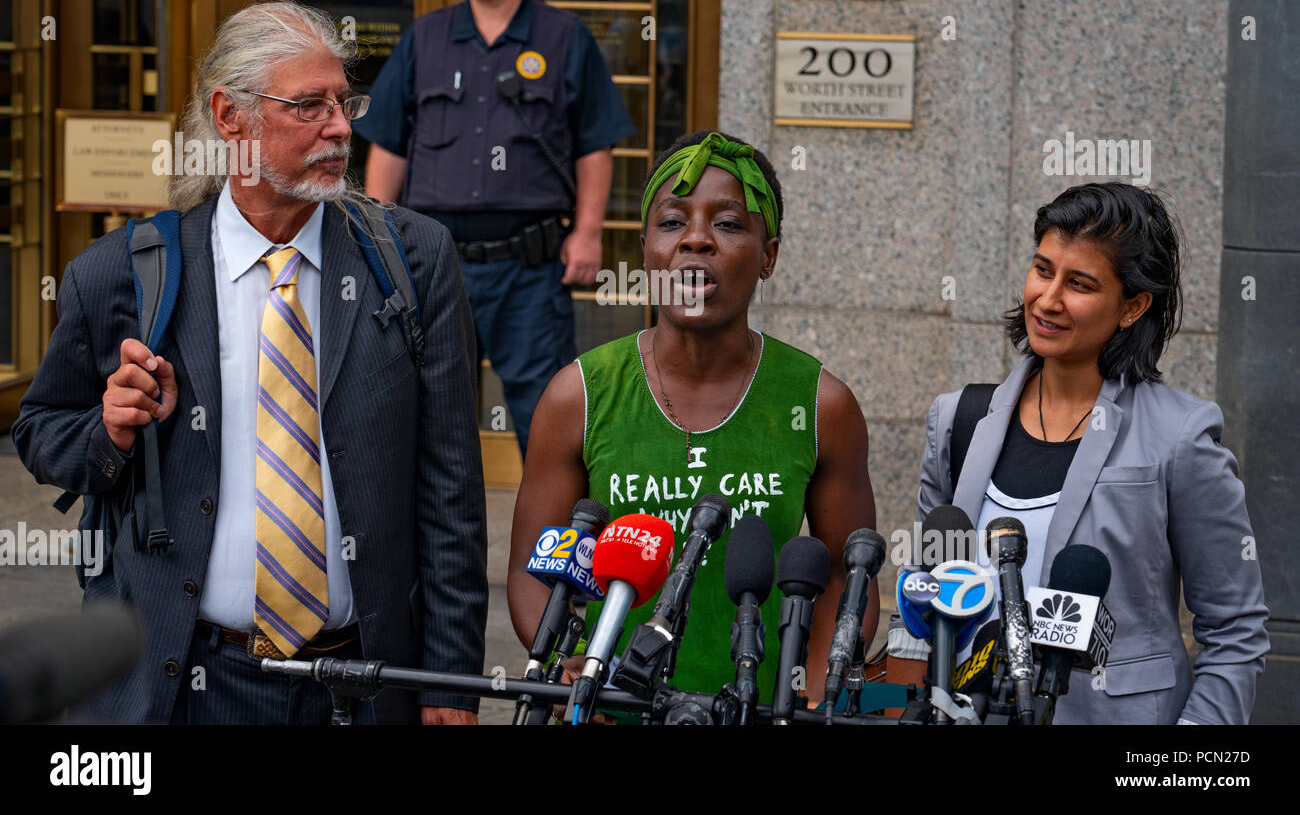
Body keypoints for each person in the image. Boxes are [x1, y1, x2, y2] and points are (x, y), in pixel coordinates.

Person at [13, 0, 488, 725]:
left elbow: (451, 483)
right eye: (308, 106)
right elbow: (42, 429)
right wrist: (108, 433)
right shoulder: (122, 274)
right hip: (190, 684)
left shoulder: (414, 259)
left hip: (363, 682)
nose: (339, 126)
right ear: (230, 118)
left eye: (342, 100)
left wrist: (451, 681)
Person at [507, 130, 879, 707]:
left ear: (769, 256)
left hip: (756, 708)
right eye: (673, 221)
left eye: (729, 224)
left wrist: (804, 693)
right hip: (614, 709)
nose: (697, 240)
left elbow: (844, 579)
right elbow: (537, 572)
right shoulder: (577, 395)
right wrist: (566, 671)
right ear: (645, 247)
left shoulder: (822, 404)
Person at [903, 182, 1268, 724]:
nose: (1048, 299)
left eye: (1079, 284)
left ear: (1133, 306)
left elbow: (1235, 632)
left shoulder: (1180, 436)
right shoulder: (959, 420)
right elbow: (921, 594)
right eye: (1043, 269)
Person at [356, 0, 635, 456]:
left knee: (547, 420)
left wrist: (587, 232)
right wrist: (373, 238)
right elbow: (389, 143)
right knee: (425, 416)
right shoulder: (426, 38)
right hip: (434, 264)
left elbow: (593, 146)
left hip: (527, 270)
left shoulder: (564, 39)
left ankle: (555, 542)